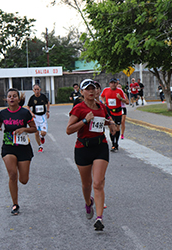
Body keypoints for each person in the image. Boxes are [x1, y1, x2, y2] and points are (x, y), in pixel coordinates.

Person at [66, 79, 116, 231]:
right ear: (81, 92)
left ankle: (99, 218)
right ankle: (88, 202)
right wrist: (84, 120)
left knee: (98, 183)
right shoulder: (78, 108)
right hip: (83, 148)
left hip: (100, 146)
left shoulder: (101, 106)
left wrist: (111, 124)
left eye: (93, 89)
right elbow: (69, 130)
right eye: (87, 89)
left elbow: (105, 119)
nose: (91, 92)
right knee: (87, 185)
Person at [0, 88, 37, 215]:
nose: (11, 98)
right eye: (9, 96)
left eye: (14, 96)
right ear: (6, 99)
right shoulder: (2, 113)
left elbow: (34, 128)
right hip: (9, 146)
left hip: (23, 147)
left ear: (18, 99)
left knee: (23, 180)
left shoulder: (25, 113)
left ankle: (21, 176)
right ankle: (15, 204)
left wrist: (24, 128)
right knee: (12, 174)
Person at [101, 78, 127, 152]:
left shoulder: (120, 91)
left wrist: (121, 98)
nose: (113, 84)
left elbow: (126, 101)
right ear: (109, 84)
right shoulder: (106, 90)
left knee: (117, 128)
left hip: (118, 112)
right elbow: (102, 96)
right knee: (111, 128)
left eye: (114, 83)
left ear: (116, 83)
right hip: (109, 112)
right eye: (111, 83)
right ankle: (113, 144)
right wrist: (103, 101)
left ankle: (116, 142)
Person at [27, 84, 50, 152]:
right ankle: (40, 146)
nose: (37, 91)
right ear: (33, 90)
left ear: (40, 89)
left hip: (42, 116)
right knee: (36, 132)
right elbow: (28, 107)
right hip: (35, 117)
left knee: (43, 133)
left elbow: (48, 103)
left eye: (38, 89)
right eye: (35, 89)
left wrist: (47, 111)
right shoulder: (32, 98)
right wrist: (32, 113)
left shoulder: (43, 96)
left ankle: (42, 137)